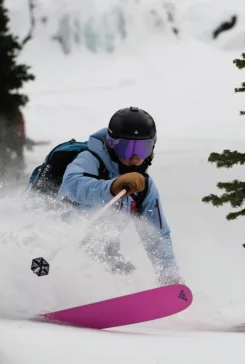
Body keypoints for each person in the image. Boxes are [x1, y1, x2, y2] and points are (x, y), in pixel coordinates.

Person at [56, 106, 184, 287]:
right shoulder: (91, 160)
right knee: (79, 275)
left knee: (130, 281)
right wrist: (112, 187)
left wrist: (168, 274)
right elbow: (71, 185)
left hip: (102, 252)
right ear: (111, 144)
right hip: (58, 246)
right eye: (127, 148)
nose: (135, 157)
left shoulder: (144, 187)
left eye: (143, 148)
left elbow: (158, 236)